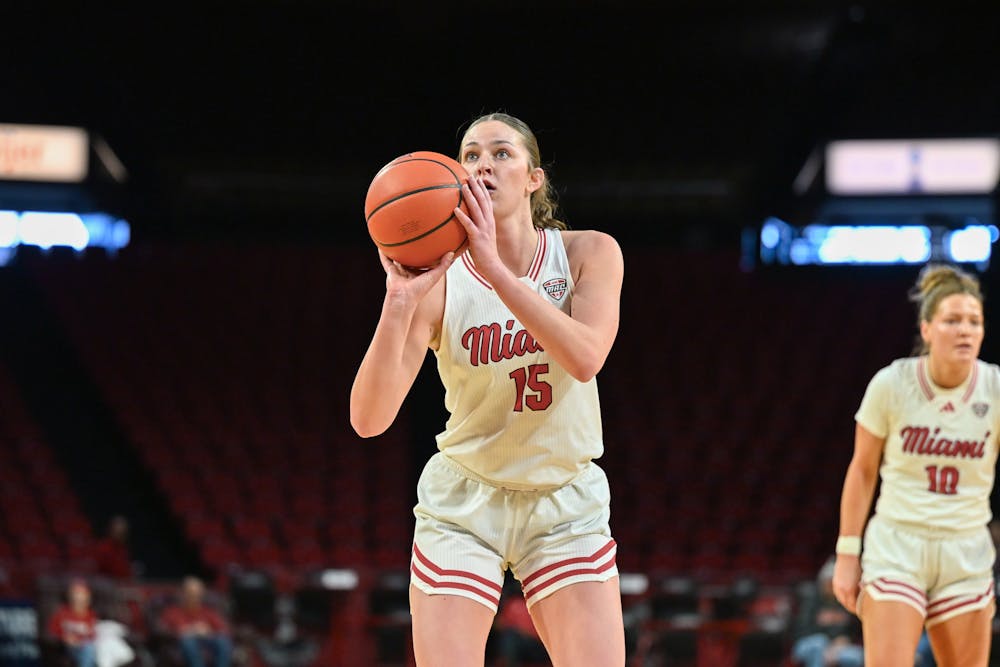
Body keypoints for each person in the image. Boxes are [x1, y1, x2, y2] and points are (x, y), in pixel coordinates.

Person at [351, 111, 626, 666]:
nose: (483, 165)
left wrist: (498, 271)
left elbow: (584, 358)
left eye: (501, 153)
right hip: (467, 502)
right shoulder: (439, 283)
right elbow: (367, 420)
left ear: (533, 179)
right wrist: (398, 305)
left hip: (563, 498)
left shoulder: (588, 254)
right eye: (471, 155)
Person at [832, 263, 999, 666]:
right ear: (926, 329)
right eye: (952, 320)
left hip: (965, 547)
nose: (965, 330)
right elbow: (862, 470)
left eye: (974, 321)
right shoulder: (892, 384)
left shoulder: (994, 388)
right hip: (897, 544)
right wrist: (847, 553)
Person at [791, 556, 863, 667]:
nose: (830, 586)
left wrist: (843, 640)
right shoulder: (811, 600)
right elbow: (803, 630)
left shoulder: (845, 602)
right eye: (827, 582)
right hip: (807, 644)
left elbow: (852, 631)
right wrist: (828, 643)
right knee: (819, 643)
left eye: (832, 583)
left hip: (837, 648)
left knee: (856, 656)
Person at [159, 576, 233, 667]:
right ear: (183, 593)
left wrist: (208, 630)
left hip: (207, 640)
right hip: (183, 642)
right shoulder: (172, 612)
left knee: (223, 641)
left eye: (197, 594)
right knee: (188, 641)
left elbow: (224, 629)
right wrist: (185, 630)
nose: (194, 597)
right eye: (190, 594)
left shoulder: (208, 611)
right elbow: (162, 629)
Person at [47, 578, 98, 667]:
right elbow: (51, 632)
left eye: (82, 594)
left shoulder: (91, 615)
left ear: (87, 597)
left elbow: (93, 635)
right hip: (66, 648)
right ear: (70, 596)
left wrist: (81, 640)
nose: (78, 597)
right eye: (76, 594)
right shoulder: (62, 613)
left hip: (84, 647)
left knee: (89, 649)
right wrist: (64, 638)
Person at [94, 515, 134, 580]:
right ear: (111, 530)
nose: (121, 536)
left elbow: (126, 571)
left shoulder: (123, 549)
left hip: (122, 584)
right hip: (106, 584)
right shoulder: (103, 547)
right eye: (119, 533)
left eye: (123, 533)